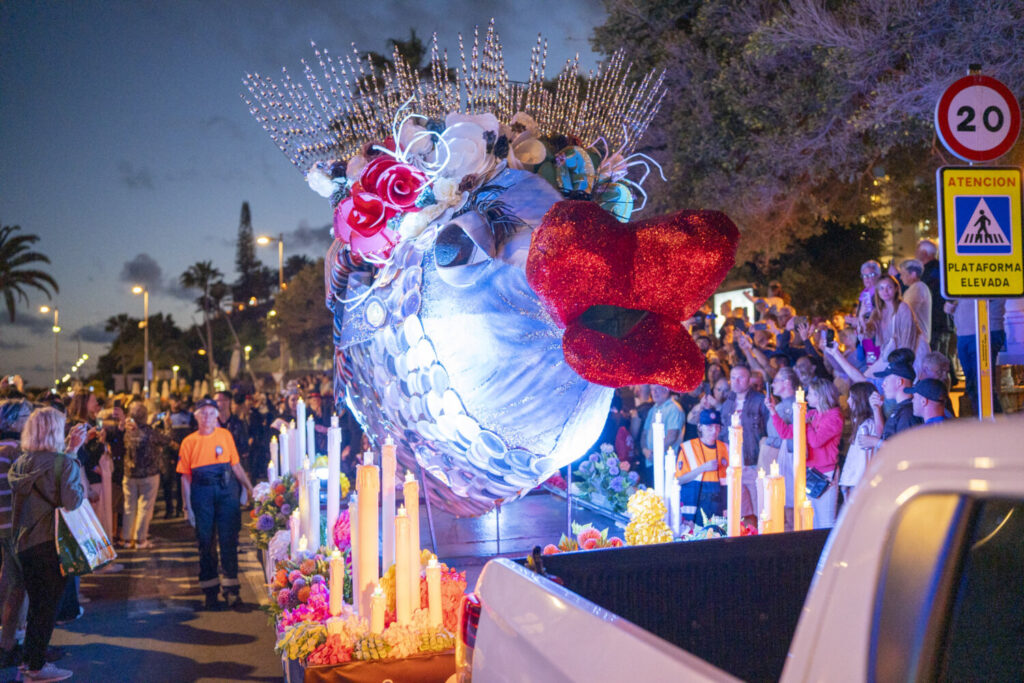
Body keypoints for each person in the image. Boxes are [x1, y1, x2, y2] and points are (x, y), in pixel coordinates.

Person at [9, 407, 87, 682]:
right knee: (46, 608)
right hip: (50, 544)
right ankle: (37, 667)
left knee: (35, 605)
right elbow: (73, 501)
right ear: (55, 431)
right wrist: (73, 456)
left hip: (24, 543)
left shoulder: (20, 463)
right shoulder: (62, 463)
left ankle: (29, 660)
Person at [178, 398, 254, 610]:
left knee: (229, 540)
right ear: (196, 417)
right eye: (203, 413)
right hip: (201, 492)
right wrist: (187, 508)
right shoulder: (189, 442)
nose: (207, 417)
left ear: (217, 416)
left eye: (212, 413)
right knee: (205, 542)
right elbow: (185, 477)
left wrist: (249, 487)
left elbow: (236, 465)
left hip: (226, 491)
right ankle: (210, 591)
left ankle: (232, 590)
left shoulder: (225, 436)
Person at [767, 377, 843, 528]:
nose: (807, 397)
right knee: (811, 520)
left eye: (811, 394)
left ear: (821, 396)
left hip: (825, 474)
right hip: (809, 472)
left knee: (826, 521)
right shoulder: (812, 414)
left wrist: (806, 425)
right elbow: (786, 433)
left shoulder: (834, 416)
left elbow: (816, 441)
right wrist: (773, 412)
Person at [0, 400, 32, 667]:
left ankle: (8, 641)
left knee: (8, 582)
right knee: (18, 587)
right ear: (11, 422)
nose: (28, 420)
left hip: (3, 528)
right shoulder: (14, 454)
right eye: (25, 416)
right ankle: (9, 645)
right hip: (14, 528)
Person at [720, 364, 769, 519]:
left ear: (749, 380)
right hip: (733, 465)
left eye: (740, 377)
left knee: (759, 509)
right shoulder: (728, 403)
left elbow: (768, 432)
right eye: (733, 378)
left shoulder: (760, 401)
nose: (736, 381)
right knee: (740, 512)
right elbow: (722, 432)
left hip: (753, 462)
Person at [122, 402, 167, 549]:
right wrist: (167, 425)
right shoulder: (150, 432)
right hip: (149, 474)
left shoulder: (126, 431)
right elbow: (166, 439)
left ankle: (127, 540)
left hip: (129, 474)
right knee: (145, 507)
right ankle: (140, 540)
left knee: (129, 507)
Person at [675, 409, 728, 523]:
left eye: (717, 427)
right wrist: (702, 468)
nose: (714, 431)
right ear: (700, 427)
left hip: (719, 506)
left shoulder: (726, 448)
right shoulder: (688, 448)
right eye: (709, 427)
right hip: (696, 506)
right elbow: (678, 480)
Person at [838, 382, 881, 501]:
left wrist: (849, 483)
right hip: (855, 483)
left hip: (859, 483)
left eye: (851, 397)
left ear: (860, 400)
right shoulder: (860, 423)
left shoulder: (868, 424)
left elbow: (861, 459)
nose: (848, 401)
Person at [639, 385, 683, 487]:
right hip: (651, 460)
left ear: (666, 389)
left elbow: (672, 436)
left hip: (665, 464)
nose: (654, 392)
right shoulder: (653, 409)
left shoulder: (674, 408)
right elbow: (644, 434)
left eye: (657, 389)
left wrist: (656, 453)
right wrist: (645, 450)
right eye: (652, 389)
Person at [878, 359, 921, 440]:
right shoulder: (903, 409)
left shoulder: (907, 413)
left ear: (899, 382)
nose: (883, 385)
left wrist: (876, 442)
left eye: (886, 380)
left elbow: (904, 449)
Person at [899, 259, 932, 346]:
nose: (900, 277)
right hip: (915, 340)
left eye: (903, 273)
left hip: (917, 341)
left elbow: (907, 312)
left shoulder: (918, 288)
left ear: (913, 274)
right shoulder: (914, 288)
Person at [214, 391, 249, 475]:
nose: (217, 403)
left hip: (234, 466)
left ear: (228, 401)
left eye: (220, 400)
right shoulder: (212, 424)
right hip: (216, 465)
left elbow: (244, 448)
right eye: (215, 400)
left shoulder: (238, 423)